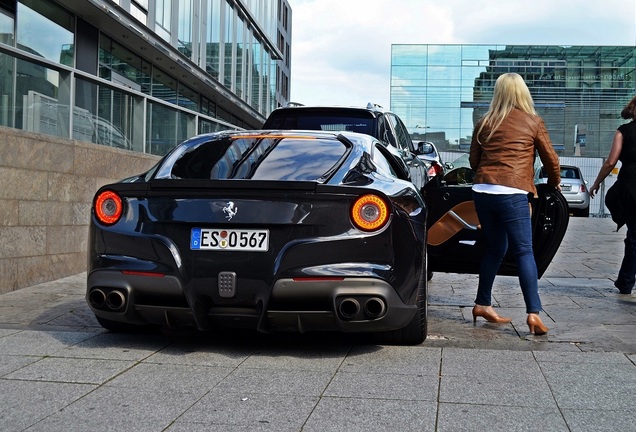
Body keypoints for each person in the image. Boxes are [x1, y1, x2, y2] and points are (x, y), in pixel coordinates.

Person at [469, 73, 561, 335]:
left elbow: (474, 161)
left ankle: (482, 304)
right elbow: (551, 160)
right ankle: (533, 313)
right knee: (523, 251)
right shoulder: (533, 122)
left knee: (495, 248)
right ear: (523, 92)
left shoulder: (485, 122)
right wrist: (554, 184)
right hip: (512, 192)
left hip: (483, 190)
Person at [589, 95, 636, 295]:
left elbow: (610, 162)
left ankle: (625, 281)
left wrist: (597, 182)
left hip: (631, 188)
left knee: (634, 236)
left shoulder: (623, 131)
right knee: (633, 237)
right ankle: (625, 280)